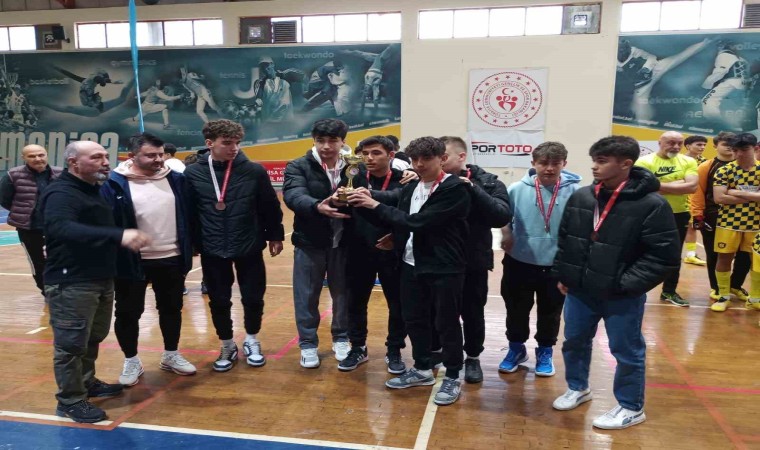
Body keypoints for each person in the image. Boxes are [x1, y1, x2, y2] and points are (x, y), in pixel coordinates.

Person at [552, 135, 680, 430]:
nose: (594, 167)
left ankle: (631, 407)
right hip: (580, 291)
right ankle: (578, 387)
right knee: (574, 341)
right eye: (594, 160)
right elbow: (567, 239)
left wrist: (625, 285)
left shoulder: (652, 204)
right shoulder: (583, 197)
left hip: (621, 295)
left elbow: (664, 257)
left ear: (626, 164)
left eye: (602, 161)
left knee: (626, 350)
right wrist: (565, 275)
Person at [348, 136, 471, 406]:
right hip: (410, 262)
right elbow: (397, 217)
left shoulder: (455, 188)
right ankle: (422, 368)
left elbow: (419, 222)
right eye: (415, 159)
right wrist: (356, 202)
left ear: (442, 159)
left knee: (446, 323)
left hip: (444, 267)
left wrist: (374, 204)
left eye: (426, 159)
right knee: (414, 319)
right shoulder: (412, 185)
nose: (419, 164)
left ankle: (452, 375)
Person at [41, 141, 151, 423]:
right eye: (96, 157)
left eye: (105, 156)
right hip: (71, 281)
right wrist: (118, 236)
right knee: (70, 345)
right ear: (74, 162)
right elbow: (59, 226)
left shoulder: (93, 189)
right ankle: (70, 400)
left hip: (100, 277)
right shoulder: (61, 192)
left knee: (92, 336)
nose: (105, 161)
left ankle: (86, 382)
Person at [185, 119, 285, 371]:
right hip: (212, 247)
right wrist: (193, 243)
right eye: (227, 143)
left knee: (253, 297)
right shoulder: (192, 173)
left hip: (248, 243)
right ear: (210, 143)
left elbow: (269, 206)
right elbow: (188, 213)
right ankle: (227, 344)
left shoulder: (254, 171)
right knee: (219, 300)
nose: (234, 148)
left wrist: (275, 235)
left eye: (237, 143)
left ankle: (252, 339)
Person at [101, 133, 196, 387]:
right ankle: (131, 360)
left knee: (171, 309)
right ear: (132, 156)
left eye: (161, 154)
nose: (158, 159)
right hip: (131, 261)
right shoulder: (113, 183)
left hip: (171, 258)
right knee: (128, 313)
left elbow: (190, 215)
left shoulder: (176, 179)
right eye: (150, 155)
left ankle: (171, 354)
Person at [499, 142, 580, 378]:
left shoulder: (576, 192)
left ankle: (545, 351)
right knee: (516, 309)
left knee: (550, 312)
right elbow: (504, 217)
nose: (549, 168)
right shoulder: (516, 188)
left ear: (564, 164)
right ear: (533, 163)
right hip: (519, 261)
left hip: (556, 264)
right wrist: (506, 233)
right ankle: (516, 349)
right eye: (543, 163)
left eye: (555, 163)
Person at [440, 136, 511, 383]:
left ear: (461, 157)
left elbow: (501, 216)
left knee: (472, 312)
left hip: (473, 260)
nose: (439, 161)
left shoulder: (489, 182)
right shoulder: (427, 181)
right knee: (441, 311)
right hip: (440, 260)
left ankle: (472, 357)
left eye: (444, 156)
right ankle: (444, 353)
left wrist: (473, 189)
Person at [335, 135, 407, 373]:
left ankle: (394, 350)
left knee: (397, 304)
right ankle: (358, 347)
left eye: (376, 153)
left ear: (391, 155)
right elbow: (339, 203)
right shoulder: (353, 176)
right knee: (355, 302)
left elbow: (407, 210)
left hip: (391, 251)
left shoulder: (403, 179)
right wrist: (336, 199)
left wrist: (396, 236)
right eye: (365, 153)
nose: (369, 158)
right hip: (358, 250)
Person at [283, 118, 352, 368]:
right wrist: (316, 206)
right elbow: (293, 194)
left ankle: (341, 338)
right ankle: (308, 343)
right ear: (314, 140)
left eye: (332, 140)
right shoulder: (298, 165)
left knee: (343, 294)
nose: (326, 146)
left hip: (345, 242)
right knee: (306, 295)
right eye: (320, 140)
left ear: (342, 141)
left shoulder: (354, 166)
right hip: (309, 241)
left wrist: (407, 173)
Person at [635, 131, 698, 306]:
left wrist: (658, 185)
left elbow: (692, 187)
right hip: (649, 213)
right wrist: (678, 184)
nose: (676, 147)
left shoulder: (689, 161)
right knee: (639, 251)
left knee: (674, 255)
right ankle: (636, 289)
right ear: (660, 142)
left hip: (679, 213)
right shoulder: (644, 162)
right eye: (671, 142)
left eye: (679, 143)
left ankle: (669, 291)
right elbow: (643, 189)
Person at [691, 132, 750, 302]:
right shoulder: (706, 166)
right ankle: (717, 288)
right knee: (714, 254)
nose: (730, 147)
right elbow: (697, 192)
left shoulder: (746, 166)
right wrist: (698, 215)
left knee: (745, 254)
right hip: (714, 215)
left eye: (733, 145)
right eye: (726, 144)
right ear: (715, 146)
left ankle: (735, 285)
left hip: (746, 216)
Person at [0, 144, 62, 294]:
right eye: (32, 156)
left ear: (46, 155)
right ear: (24, 158)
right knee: (38, 263)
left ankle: (61, 292)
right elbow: (4, 199)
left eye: (41, 155)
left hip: (58, 228)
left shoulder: (61, 174)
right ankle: (47, 292)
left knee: (61, 261)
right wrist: (23, 212)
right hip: (30, 229)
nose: (37, 159)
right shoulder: (12, 175)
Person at [710, 133, 760, 312]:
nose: (738, 154)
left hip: (756, 224)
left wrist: (736, 192)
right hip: (728, 222)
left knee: (757, 261)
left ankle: (755, 298)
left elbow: (726, 195)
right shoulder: (724, 170)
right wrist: (754, 196)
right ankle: (723, 296)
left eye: (744, 149)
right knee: (724, 258)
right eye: (735, 150)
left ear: (755, 148)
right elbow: (719, 198)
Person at [682, 135, 709, 266]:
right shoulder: (679, 160)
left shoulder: (705, 163)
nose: (702, 147)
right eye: (699, 144)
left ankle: (691, 255)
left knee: (693, 226)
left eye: (704, 145)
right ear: (688, 146)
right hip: (679, 198)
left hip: (696, 201)